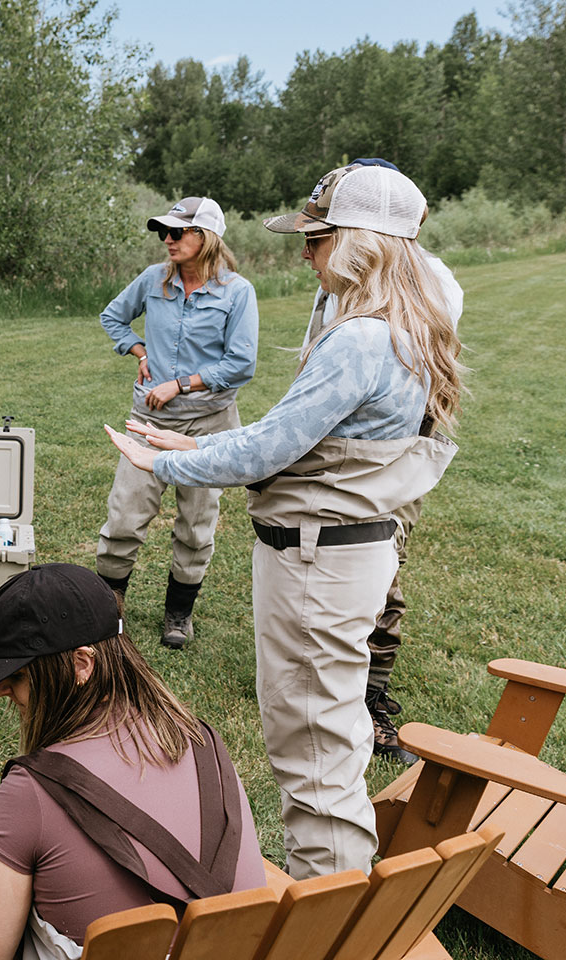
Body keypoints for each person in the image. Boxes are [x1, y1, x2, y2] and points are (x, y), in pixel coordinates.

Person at [108, 164, 463, 879]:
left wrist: (167, 463)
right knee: (328, 740)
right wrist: (198, 443)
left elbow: (271, 446)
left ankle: (326, 918)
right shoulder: (411, 321)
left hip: (315, 563)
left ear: (363, 243)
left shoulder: (362, 338)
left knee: (313, 755)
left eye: (318, 239)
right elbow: (300, 436)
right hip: (345, 554)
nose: (305, 254)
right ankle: (334, 890)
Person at [0, 564, 266, 960]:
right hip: (215, 947)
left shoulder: (33, 793)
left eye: (19, 674)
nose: (0, 690)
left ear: (82, 664)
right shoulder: (203, 742)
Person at [292, 159, 466, 766]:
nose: (312, 252)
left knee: (379, 556)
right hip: (338, 435)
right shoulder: (337, 284)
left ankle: (370, 699)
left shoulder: (430, 283)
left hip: (390, 445)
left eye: (322, 236)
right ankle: (323, 666)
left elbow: (390, 380)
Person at [96, 196, 258, 649]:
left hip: (210, 422)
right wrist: (138, 349)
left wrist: (181, 384)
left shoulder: (238, 292)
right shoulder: (153, 280)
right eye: (163, 232)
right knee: (126, 514)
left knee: (196, 522)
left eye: (177, 232)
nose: (167, 240)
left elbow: (242, 363)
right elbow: (112, 316)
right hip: (149, 418)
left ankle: (178, 615)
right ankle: (109, 609)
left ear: (206, 238)